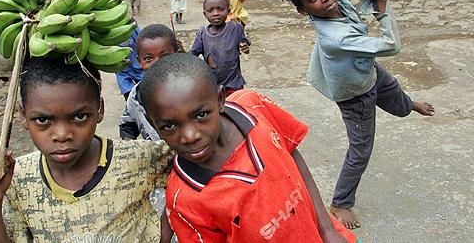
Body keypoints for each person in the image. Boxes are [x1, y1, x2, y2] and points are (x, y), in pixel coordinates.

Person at [138, 53, 358, 242]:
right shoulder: (184, 199)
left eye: (201, 115)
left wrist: (327, 229)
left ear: (220, 99)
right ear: (153, 122)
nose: (189, 136)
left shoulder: (254, 106)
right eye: (169, 125)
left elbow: (290, 151)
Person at [285, 0, 435, 230]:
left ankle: (408, 105)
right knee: (360, 150)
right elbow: (390, 45)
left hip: (367, 71)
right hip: (355, 95)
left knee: (393, 89)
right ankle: (340, 202)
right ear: (302, 10)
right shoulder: (336, 38)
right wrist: (381, 4)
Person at [0, 56, 173, 242]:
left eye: (79, 117)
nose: (62, 135)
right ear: (23, 116)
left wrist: (164, 232)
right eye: (43, 120)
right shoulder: (17, 177)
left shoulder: (140, 157)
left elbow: (195, 160)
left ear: (100, 110)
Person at [119, 24, 181, 141]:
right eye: (148, 58)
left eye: (165, 56)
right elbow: (127, 126)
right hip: (158, 157)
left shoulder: (190, 88)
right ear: (139, 61)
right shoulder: (136, 95)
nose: (157, 63)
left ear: (176, 54)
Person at [190, 0, 250, 97]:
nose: (216, 13)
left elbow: (245, 46)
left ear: (228, 11)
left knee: (234, 109)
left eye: (220, 9)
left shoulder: (235, 28)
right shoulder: (202, 33)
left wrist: (244, 47)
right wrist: (179, 51)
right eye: (210, 11)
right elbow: (192, 54)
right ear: (205, 14)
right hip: (212, 87)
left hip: (233, 85)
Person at [116, 25, 145, 101]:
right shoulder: (108, 34)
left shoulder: (133, 28)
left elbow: (144, 40)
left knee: (145, 93)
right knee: (129, 97)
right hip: (122, 71)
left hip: (139, 67)